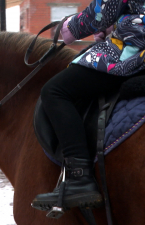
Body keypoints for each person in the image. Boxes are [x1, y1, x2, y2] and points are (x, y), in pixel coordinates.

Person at [31, 0, 142, 211]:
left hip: (136, 51)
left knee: (54, 91)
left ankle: (79, 178)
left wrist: (67, 28)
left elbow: (103, 10)